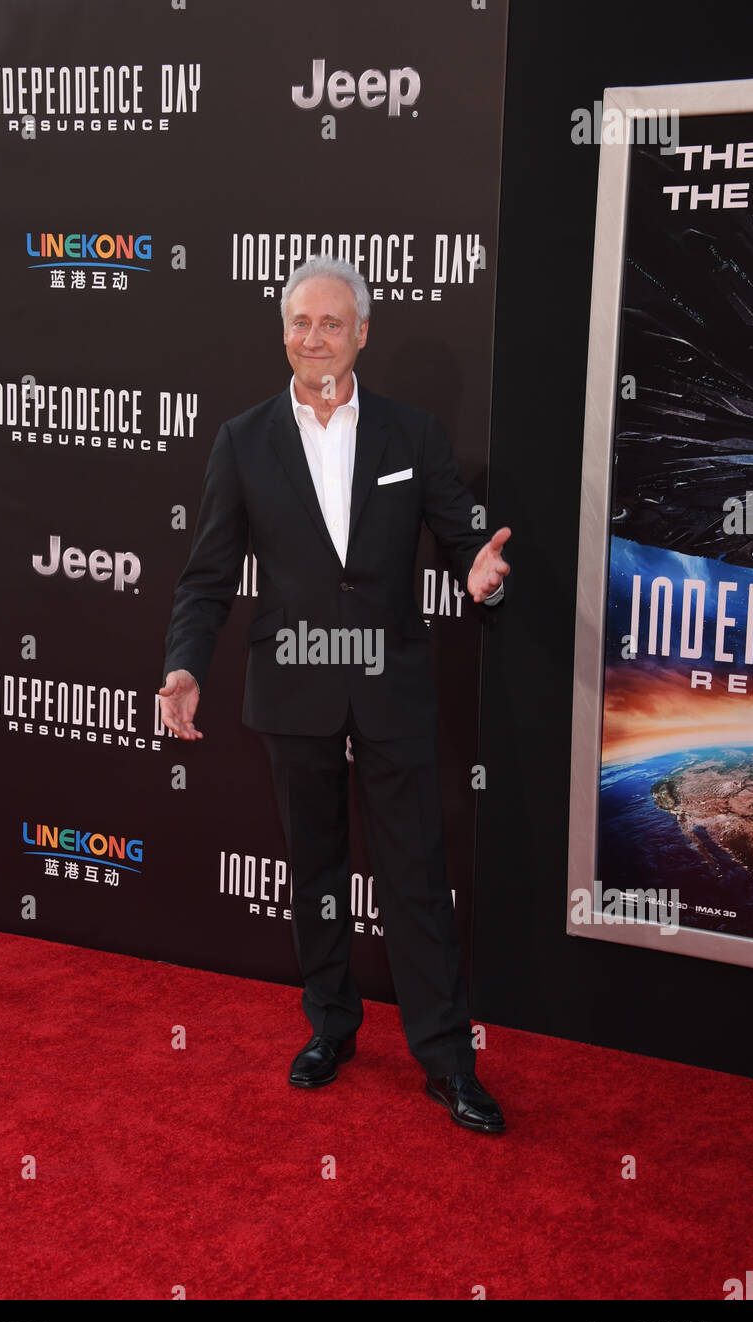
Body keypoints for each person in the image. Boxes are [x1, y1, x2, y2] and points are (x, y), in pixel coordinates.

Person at [160, 256, 510, 1134]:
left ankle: (445, 1061)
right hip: (293, 687)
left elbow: (467, 538)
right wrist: (185, 664)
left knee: (416, 878)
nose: (312, 338)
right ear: (283, 333)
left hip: (390, 687)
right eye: (298, 323)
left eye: (330, 323)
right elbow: (206, 577)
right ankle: (331, 1027)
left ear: (362, 332)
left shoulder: (413, 434)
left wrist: (484, 576)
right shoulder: (242, 440)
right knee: (314, 872)